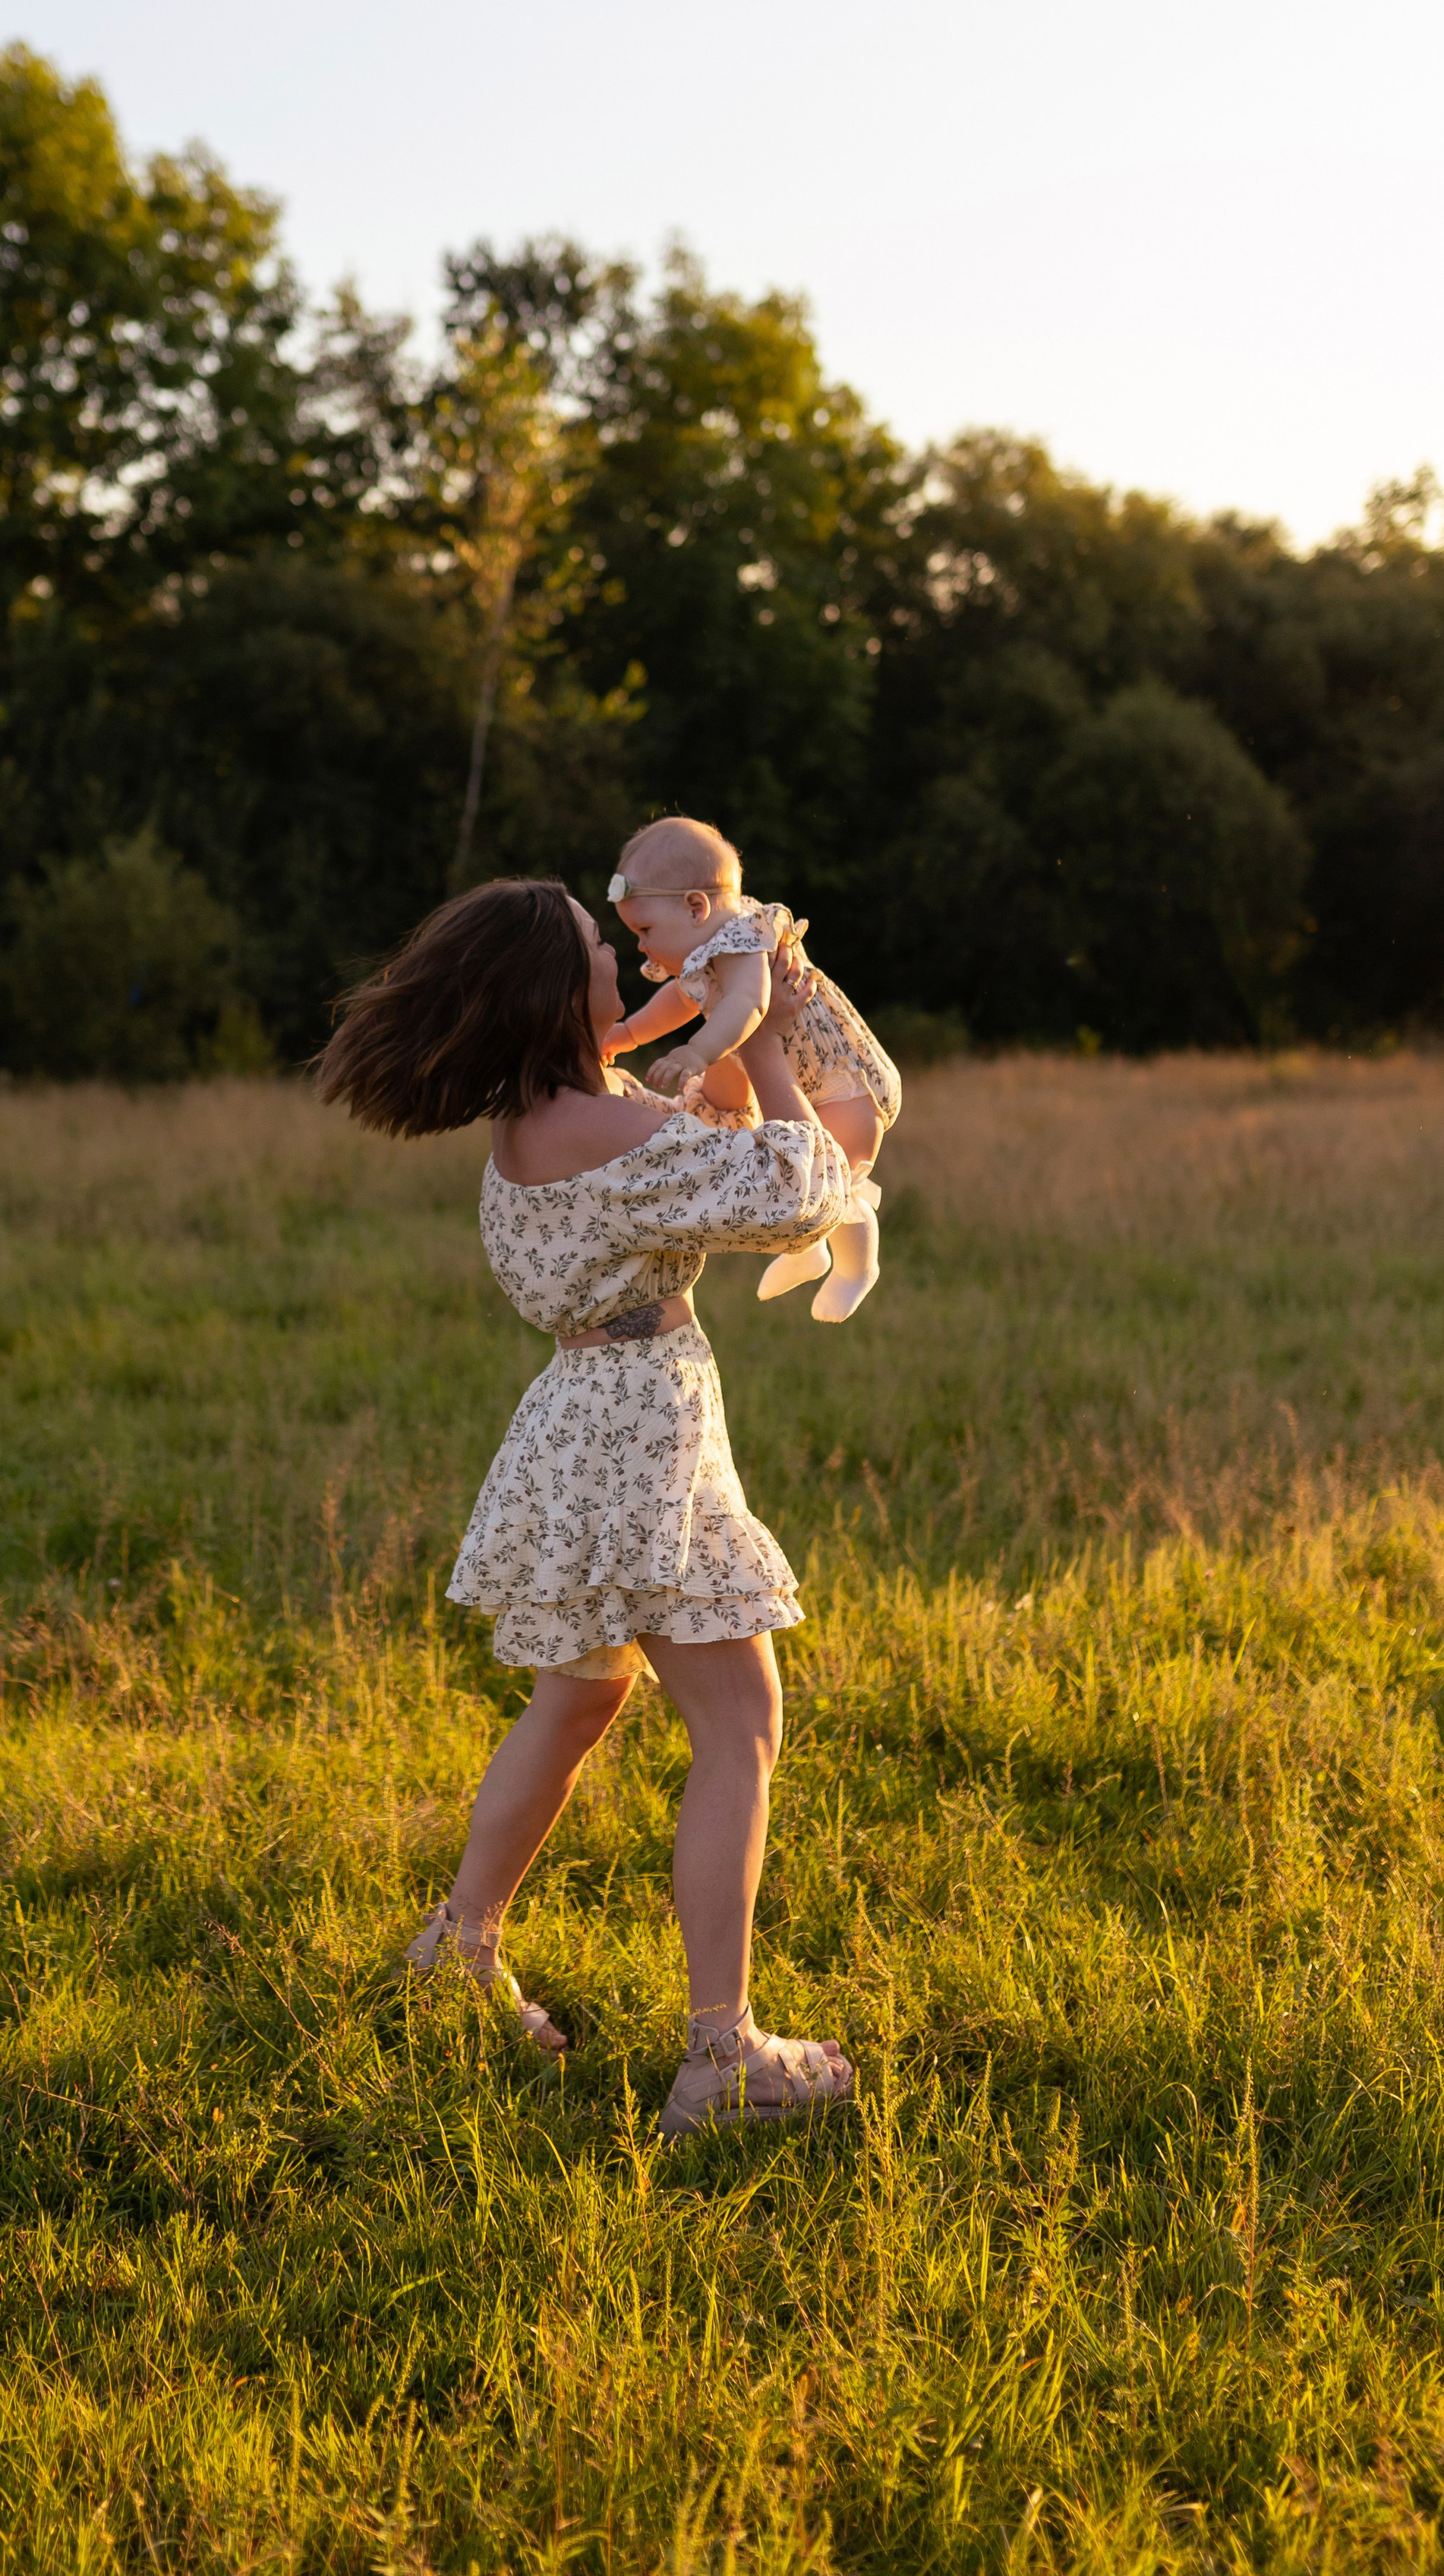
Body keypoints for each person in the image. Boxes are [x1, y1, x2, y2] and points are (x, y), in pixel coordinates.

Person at [316, 875, 865, 2137]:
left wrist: (717, 1019)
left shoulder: (551, 1115)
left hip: (586, 1424)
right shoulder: (598, 1128)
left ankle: (457, 1949)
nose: (618, 960)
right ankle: (723, 2059)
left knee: (577, 1697)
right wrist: (765, 1040)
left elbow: (684, 1125)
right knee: (742, 1726)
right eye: (594, 951)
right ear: (557, 991)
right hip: (638, 1439)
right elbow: (800, 1192)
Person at [601, 814, 900, 1321]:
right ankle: (808, 1251)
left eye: (645, 929)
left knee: (833, 1174)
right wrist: (629, 1032)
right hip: (801, 1075)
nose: (640, 945)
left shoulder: (742, 937)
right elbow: (681, 997)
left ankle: (856, 1268)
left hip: (843, 1080)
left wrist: (697, 1052)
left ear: (696, 906)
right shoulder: (709, 948)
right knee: (800, 1168)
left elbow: (750, 1004)